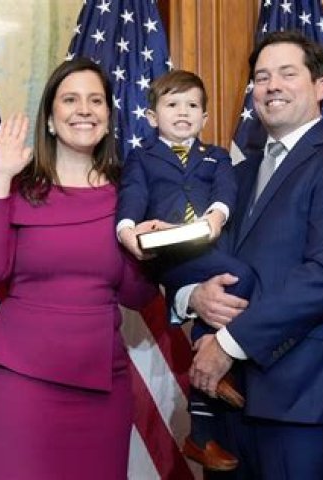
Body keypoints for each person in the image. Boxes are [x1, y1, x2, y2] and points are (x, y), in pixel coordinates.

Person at [174, 30, 323, 479]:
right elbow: (201, 258)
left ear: (320, 87)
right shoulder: (235, 175)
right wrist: (193, 296)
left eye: (288, 74)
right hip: (226, 404)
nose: (272, 86)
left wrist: (228, 343)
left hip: (304, 403)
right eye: (263, 77)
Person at [0, 58, 157, 480]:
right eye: (70, 99)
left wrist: (150, 249)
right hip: (19, 383)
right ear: (50, 120)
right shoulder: (18, 187)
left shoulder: (131, 195)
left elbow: (137, 295)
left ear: (108, 118)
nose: (84, 109)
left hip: (102, 386)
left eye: (95, 100)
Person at [116, 70, 255, 471]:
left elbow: (225, 191)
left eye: (192, 105)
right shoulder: (142, 157)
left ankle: (201, 433)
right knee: (241, 276)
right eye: (172, 104)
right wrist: (127, 231)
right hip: (170, 256)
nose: (183, 112)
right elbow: (133, 195)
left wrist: (216, 216)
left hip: (206, 245)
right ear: (152, 116)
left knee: (227, 288)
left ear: (205, 117)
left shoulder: (216, 156)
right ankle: (211, 353)